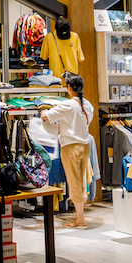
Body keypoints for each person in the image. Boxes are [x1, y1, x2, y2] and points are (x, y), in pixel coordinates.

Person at [43, 72, 95, 229]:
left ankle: (80, 220)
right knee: (80, 181)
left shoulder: (67, 105)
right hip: (84, 145)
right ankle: (80, 215)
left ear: (69, 88)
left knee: (74, 182)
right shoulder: (87, 105)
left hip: (71, 147)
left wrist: (43, 112)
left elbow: (47, 116)